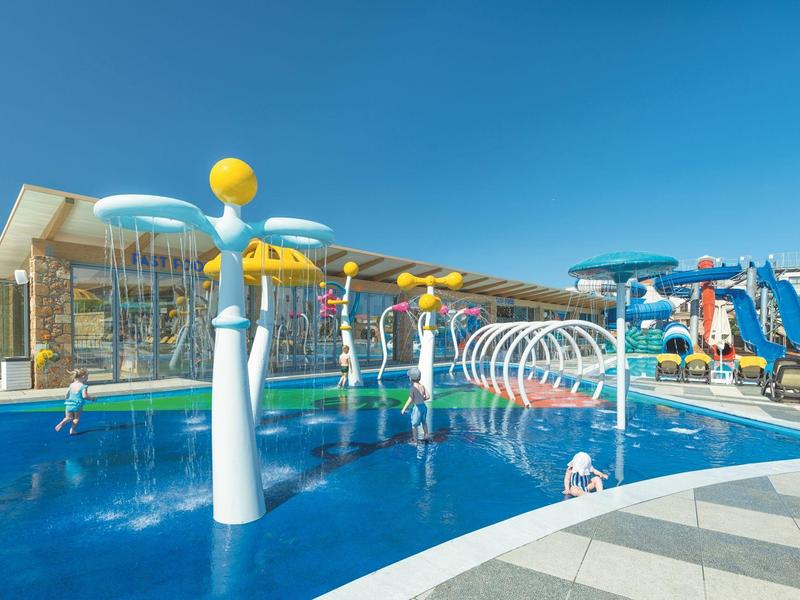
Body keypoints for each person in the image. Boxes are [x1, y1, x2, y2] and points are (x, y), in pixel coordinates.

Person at [55, 368, 95, 435]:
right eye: (87, 376)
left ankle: (63, 422)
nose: (87, 378)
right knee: (76, 418)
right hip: (77, 405)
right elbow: (85, 396)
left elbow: (66, 395)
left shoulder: (71, 385)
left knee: (68, 417)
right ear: (83, 377)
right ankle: (72, 430)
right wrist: (92, 398)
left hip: (69, 404)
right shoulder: (83, 386)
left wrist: (67, 399)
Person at [400, 367, 430, 442]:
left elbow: (410, 399)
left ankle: (415, 440)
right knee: (424, 422)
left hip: (417, 409)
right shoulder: (422, 386)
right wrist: (422, 399)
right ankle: (426, 436)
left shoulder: (413, 388)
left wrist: (404, 409)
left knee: (414, 425)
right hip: (424, 407)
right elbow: (428, 396)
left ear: (411, 378)